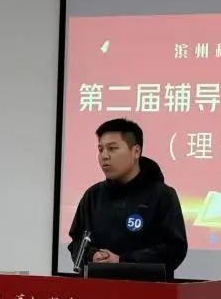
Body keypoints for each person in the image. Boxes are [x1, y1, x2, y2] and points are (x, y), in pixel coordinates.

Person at [68, 118, 188, 278]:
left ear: (136, 151)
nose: (104, 156)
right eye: (101, 149)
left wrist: (123, 261)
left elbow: (175, 249)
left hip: (148, 289)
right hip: (99, 288)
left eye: (112, 148)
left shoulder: (162, 195)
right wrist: (92, 255)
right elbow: (77, 242)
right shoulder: (92, 196)